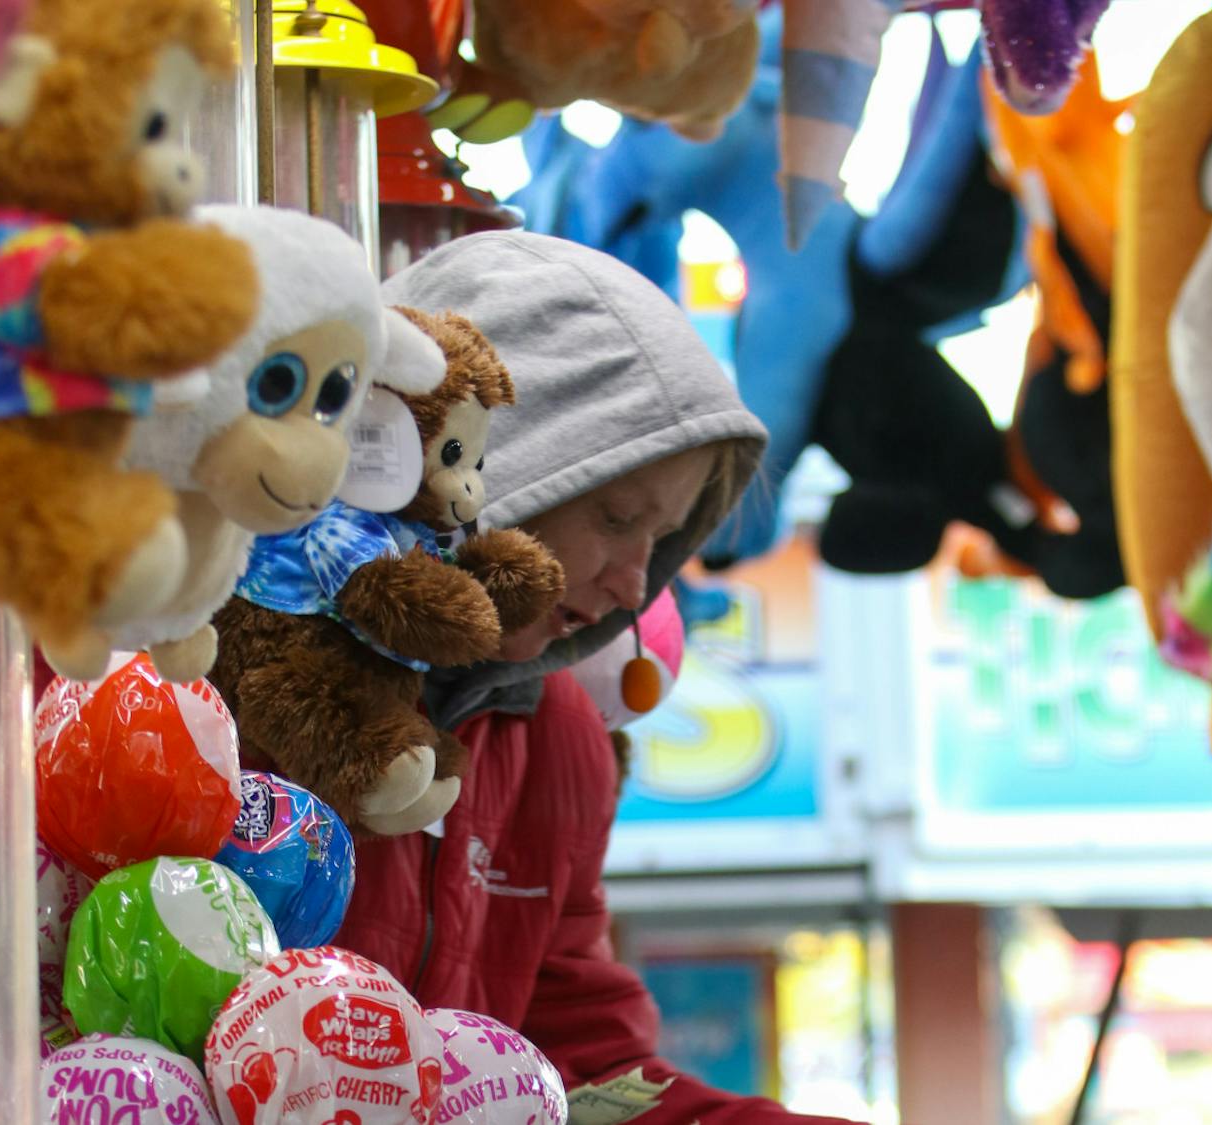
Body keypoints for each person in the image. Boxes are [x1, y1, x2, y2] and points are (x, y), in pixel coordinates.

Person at [337, 231, 859, 1124]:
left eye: (659, 542)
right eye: (616, 517)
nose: (633, 583)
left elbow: (583, 1075)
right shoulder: (249, 665)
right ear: (484, 462)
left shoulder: (561, 735)